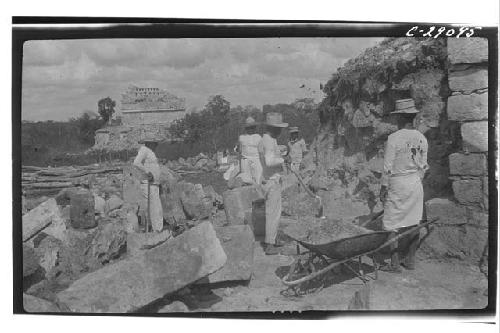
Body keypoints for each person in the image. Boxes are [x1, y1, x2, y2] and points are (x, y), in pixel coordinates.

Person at [379, 99, 429, 272]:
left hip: (398, 183)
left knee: (391, 223)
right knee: (414, 222)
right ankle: (410, 260)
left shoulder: (394, 138)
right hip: (415, 183)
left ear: (399, 117)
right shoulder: (422, 139)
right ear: (413, 117)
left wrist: (383, 188)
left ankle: (394, 263)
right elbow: (423, 167)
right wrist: (416, 181)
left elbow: (387, 167)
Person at [258, 112, 288, 255]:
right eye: (279, 128)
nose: (281, 131)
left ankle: (272, 238)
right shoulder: (269, 141)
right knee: (273, 213)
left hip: (267, 179)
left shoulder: (267, 139)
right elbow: (270, 161)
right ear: (274, 128)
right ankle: (270, 244)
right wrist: (283, 160)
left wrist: (279, 151)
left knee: (273, 212)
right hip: (271, 181)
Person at [133, 135, 164, 233]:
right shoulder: (144, 150)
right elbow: (136, 163)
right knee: (155, 207)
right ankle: (157, 229)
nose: (157, 145)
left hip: (154, 183)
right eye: (154, 143)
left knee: (156, 207)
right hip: (149, 183)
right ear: (149, 143)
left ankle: (156, 228)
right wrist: (147, 171)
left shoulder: (151, 151)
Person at [238, 117, 263, 185]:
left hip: (256, 159)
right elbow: (240, 152)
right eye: (248, 128)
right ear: (246, 128)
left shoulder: (258, 137)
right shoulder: (241, 137)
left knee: (258, 177)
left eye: (252, 127)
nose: (250, 129)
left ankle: (259, 192)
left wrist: (262, 165)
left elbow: (261, 152)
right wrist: (240, 166)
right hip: (245, 159)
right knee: (247, 179)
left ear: (254, 128)